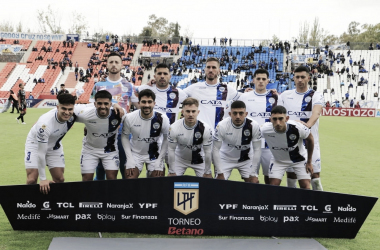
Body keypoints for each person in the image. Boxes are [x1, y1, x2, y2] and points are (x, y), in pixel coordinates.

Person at [225, 69, 278, 184]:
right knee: (251, 180)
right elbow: (230, 114)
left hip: (270, 145)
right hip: (249, 145)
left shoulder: (276, 98)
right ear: (253, 80)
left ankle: (268, 201)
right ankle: (253, 202)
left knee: (271, 179)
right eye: (258, 79)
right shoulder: (244, 96)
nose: (261, 81)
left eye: (264, 79)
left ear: (268, 81)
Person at [278, 65, 324, 191]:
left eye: (303, 77)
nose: (300, 80)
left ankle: (318, 205)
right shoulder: (285, 95)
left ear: (308, 78)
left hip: (311, 143)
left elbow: (316, 112)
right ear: (293, 78)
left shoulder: (316, 95)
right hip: (291, 143)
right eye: (297, 77)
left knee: (315, 176)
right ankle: (293, 206)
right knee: (292, 175)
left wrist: (307, 126)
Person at [90, 52, 134, 180]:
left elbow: (141, 102)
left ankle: (125, 199)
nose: (114, 65)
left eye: (116, 62)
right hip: (101, 134)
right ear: (107, 65)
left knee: (125, 169)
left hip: (123, 133)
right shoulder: (98, 86)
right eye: (111, 62)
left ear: (121, 65)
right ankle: (101, 198)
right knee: (100, 171)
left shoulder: (129, 86)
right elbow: (90, 108)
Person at [24, 94, 77, 194]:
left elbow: (92, 108)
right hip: (35, 145)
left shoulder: (75, 111)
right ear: (57, 107)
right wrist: (43, 179)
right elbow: (41, 154)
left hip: (54, 145)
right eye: (63, 109)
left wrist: (115, 106)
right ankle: (31, 205)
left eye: (70, 109)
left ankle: (55, 205)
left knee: (60, 179)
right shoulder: (45, 125)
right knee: (32, 179)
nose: (67, 112)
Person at [260, 105, 314, 189]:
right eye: (274, 119)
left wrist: (309, 162)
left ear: (287, 118)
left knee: (305, 186)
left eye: (281, 118)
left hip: (299, 159)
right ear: (270, 119)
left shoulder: (298, 127)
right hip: (278, 160)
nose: (278, 122)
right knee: (272, 186)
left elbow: (310, 139)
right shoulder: (264, 129)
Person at [75, 90, 124, 181]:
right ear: (95, 104)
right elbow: (67, 109)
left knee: (112, 178)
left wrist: (115, 105)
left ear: (110, 104)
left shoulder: (119, 113)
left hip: (110, 150)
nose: (102, 106)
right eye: (99, 103)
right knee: (86, 179)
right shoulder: (85, 114)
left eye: (106, 103)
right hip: (90, 150)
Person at [121, 89, 170, 178]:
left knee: (158, 180)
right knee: (129, 178)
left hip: (154, 154)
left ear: (154, 103)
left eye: (149, 102)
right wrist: (129, 159)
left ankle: (150, 174)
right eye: (143, 102)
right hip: (135, 153)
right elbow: (124, 137)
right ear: (139, 103)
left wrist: (160, 159)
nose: (146, 105)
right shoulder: (129, 118)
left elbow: (167, 139)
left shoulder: (162, 118)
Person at [212, 100, 262, 182]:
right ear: (230, 114)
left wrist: (253, 173)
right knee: (218, 184)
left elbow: (257, 150)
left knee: (254, 183)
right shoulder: (222, 125)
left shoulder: (253, 125)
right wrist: (220, 173)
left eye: (241, 113)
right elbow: (215, 149)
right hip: (225, 158)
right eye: (234, 113)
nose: (238, 116)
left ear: (246, 114)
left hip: (246, 159)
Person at [167, 97, 213, 177]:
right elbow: (171, 150)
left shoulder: (206, 128)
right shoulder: (174, 127)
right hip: (180, 159)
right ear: (182, 112)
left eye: (193, 111)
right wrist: (171, 170)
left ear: (198, 112)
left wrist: (207, 171)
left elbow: (208, 152)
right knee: (171, 183)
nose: (191, 114)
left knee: (207, 185)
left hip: (200, 160)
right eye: (188, 111)